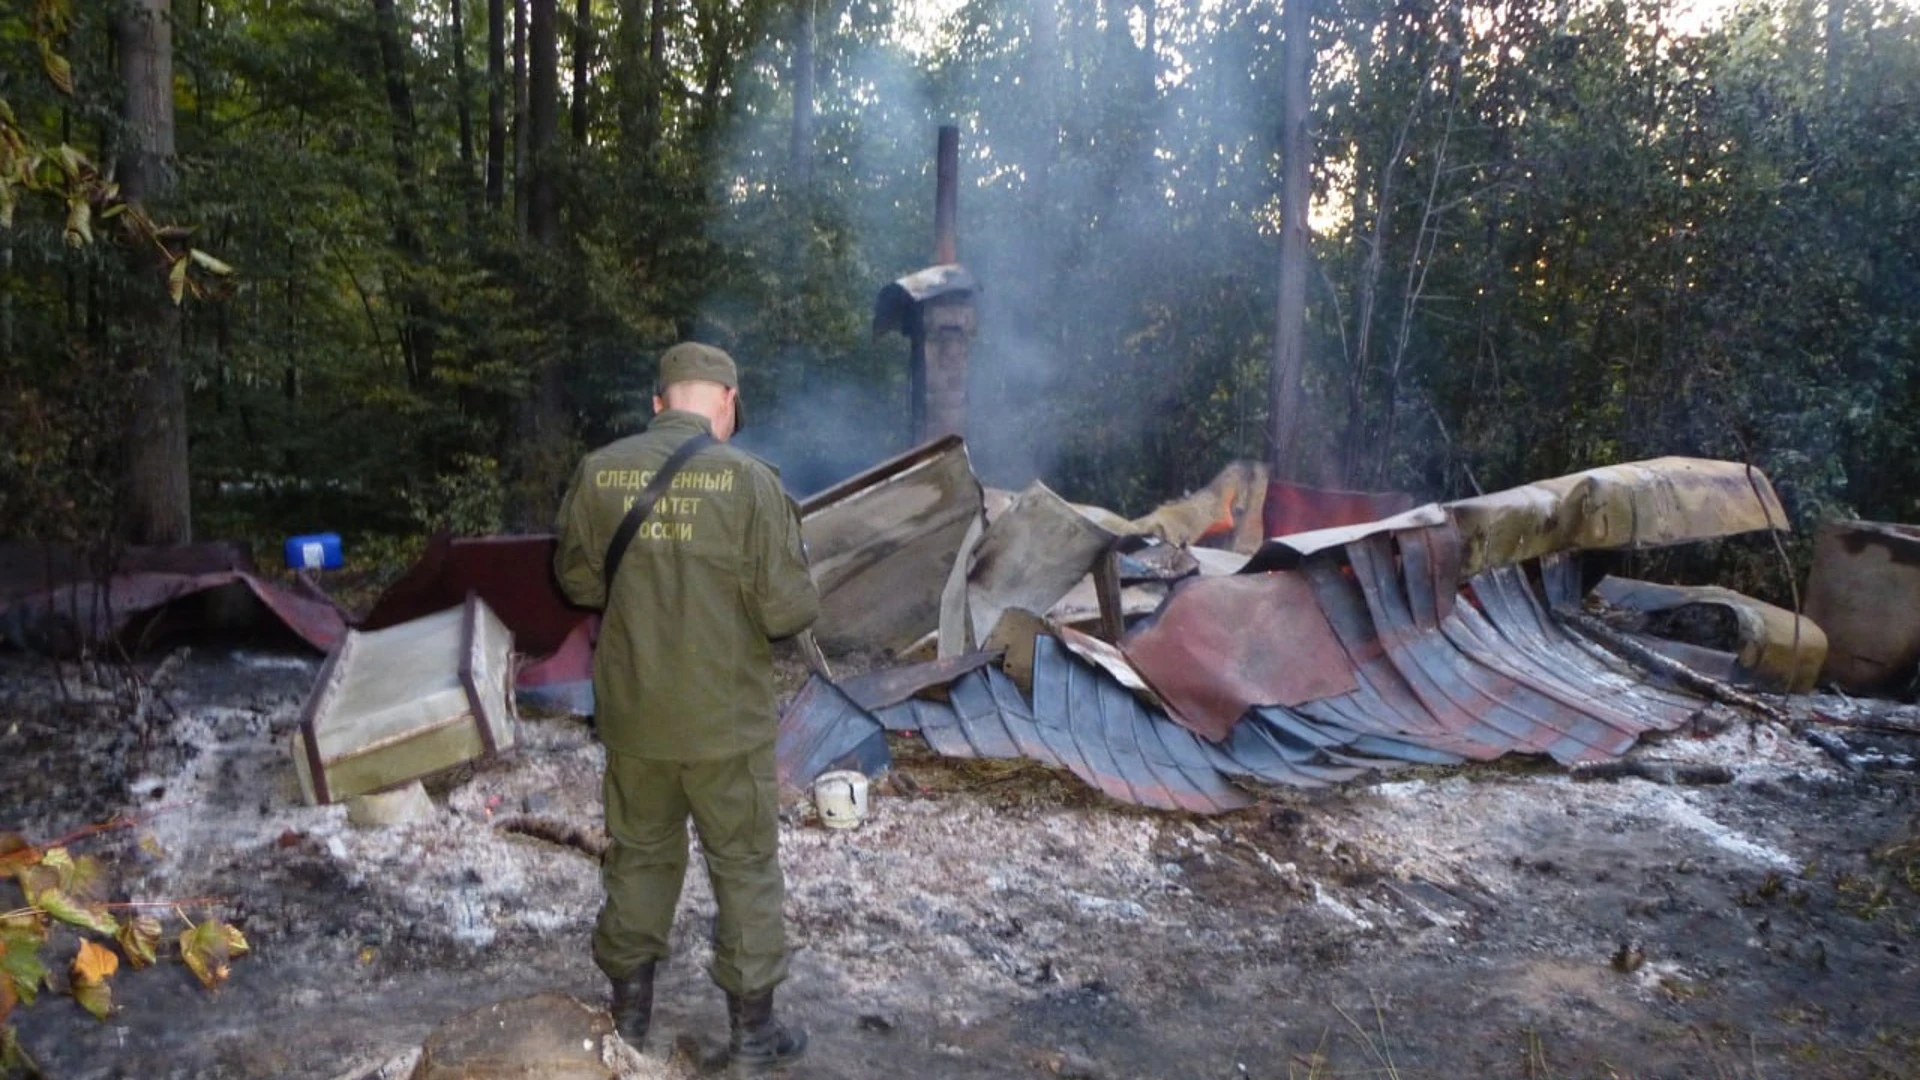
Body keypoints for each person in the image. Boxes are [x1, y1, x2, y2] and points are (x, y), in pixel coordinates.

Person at [553, 341, 819, 1072]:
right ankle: (754, 1039)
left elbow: (578, 583)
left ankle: (628, 1025)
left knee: (638, 856)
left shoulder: (600, 472)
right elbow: (787, 611)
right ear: (726, 402)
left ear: (659, 402)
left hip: (636, 715)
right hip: (724, 722)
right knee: (744, 867)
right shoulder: (753, 483)